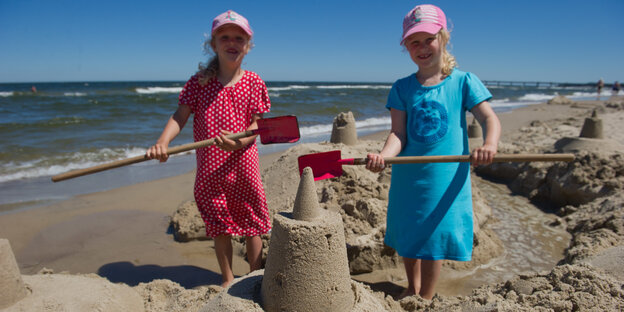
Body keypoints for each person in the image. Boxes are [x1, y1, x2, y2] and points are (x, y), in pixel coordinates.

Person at [365, 4, 501, 300]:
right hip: (408, 176)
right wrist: (385, 156)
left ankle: (425, 297)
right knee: (409, 232)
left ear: (443, 38)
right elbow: (398, 133)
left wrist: (489, 145)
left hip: (444, 176)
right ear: (406, 47)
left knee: (433, 236)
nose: (422, 47)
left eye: (429, 39)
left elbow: (489, 119)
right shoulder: (402, 88)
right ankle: (410, 287)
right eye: (414, 41)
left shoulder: (463, 81)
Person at [146, 10, 271, 287]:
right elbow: (180, 116)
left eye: (239, 38)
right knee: (219, 224)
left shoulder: (254, 83)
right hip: (211, 167)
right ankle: (227, 279)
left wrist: (238, 142)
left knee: (251, 221)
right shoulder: (199, 83)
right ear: (213, 44)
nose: (232, 42)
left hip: (243, 165)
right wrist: (162, 142)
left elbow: (256, 127)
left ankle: (254, 275)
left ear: (247, 45)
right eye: (224, 36)